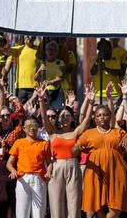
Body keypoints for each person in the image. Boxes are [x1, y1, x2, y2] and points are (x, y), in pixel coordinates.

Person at [40, 85, 94, 218]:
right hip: (56, 166)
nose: (65, 118)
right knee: (56, 204)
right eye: (62, 115)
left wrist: (91, 102)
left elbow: (86, 121)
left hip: (73, 166)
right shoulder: (53, 132)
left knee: (74, 204)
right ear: (58, 118)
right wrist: (41, 100)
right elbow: (44, 119)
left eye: (68, 115)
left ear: (72, 118)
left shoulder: (75, 132)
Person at [75, 102, 127, 217]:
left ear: (110, 117)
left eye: (105, 114)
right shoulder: (88, 133)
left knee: (115, 210)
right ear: (95, 118)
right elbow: (74, 150)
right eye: (99, 115)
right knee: (99, 207)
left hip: (116, 172)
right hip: (96, 173)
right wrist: (77, 148)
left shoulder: (118, 132)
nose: (102, 117)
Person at [6, 115, 53, 218]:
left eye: (34, 125)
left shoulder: (44, 144)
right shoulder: (19, 142)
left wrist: (49, 171)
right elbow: (9, 163)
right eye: (28, 126)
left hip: (39, 180)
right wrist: (13, 171)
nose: (31, 128)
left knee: (39, 214)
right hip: (22, 179)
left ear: (38, 127)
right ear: (24, 128)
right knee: (22, 213)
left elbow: (49, 162)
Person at [0, 102, 23, 218]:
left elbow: (22, 115)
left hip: (9, 171)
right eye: (2, 116)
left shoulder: (16, 132)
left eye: (8, 115)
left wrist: (14, 101)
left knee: (10, 203)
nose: (5, 118)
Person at [5, 36, 40, 102]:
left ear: (34, 37)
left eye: (30, 34)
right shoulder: (18, 49)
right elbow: (4, 50)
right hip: (20, 87)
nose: (28, 36)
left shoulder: (39, 50)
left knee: (33, 108)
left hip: (34, 86)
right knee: (19, 108)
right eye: (26, 35)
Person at [35, 41, 68, 107]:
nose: (51, 51)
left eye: (54, 50)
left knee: (56, 110)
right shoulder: (41, 62)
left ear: (57, 52)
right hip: (43, 91)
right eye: (49, 49)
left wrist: (50, 82)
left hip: (56, 91)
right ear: (46, 51)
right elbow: (35, 78)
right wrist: (39, 70)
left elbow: (62, 77)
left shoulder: (60, 63)